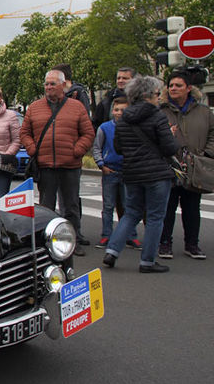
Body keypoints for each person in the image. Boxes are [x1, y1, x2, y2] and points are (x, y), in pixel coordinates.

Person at [101, 76, 179, 273]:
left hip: (131, 172)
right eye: (156, 94)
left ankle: (112, 250)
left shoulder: (124, 118)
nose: (159, 97)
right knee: (154, 217)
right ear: (148, 96)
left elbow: (118, 148)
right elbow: (169, 148)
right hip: (156, 174)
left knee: (131, 213)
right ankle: (147, 261)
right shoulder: (158, 117)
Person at [20, 70, 94, 256]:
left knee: (71, 206)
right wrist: (32, 149)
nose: (48, 87)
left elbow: (88, 133)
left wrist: (76, 151)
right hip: (45, 165)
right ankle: (46, 242)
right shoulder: (34, 107)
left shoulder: (76, 107)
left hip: (69, 165)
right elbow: (24, 133)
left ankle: (73, 240)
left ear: (62, 85)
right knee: (46, 207)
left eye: (52, 84)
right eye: (46, 84)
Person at [158, 70, 214, 260]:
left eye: (178, 85)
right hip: (169, 166)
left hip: (195, 167)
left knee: (192, 207)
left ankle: (192, 244)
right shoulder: (161, 111)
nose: (173, 89)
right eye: (170, 86)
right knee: (167, 207)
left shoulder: (203, 112)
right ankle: (165, 243)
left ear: (188, 88)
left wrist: (207, 155)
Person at [92, 97, 142, 249]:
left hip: (127, 172)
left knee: (129, 206)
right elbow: (97, 147)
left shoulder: (134, 127)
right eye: (117, 110)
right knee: (108, 206)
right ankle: (106, 235)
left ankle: (130, 236)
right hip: (110, 171)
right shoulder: (105, 127)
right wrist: (101, 164)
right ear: (112, 111)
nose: (119, 113)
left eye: (123, 110)